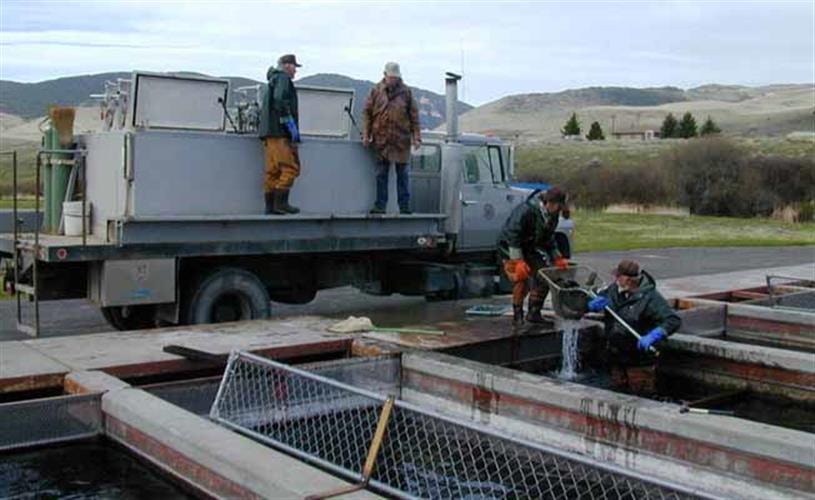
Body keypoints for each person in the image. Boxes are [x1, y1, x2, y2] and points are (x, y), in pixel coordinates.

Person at [587, 260, 681, 392]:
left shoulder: (650, 298)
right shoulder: (612, 290)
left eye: (618, 277)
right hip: (616, 357)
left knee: (640, 394)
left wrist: (655, 334)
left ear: (628, 280)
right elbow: (588, 300)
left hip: (639, 360)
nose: (616, 280)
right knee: (617, 392)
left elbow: (672, 320)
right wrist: (590, 304)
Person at [497, 187, 569, 326]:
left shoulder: (552, 215)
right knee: (521, 278)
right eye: (558, 207)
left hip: (529, 248)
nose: (559, 211)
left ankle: (534, 313)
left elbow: (549, 238)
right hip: (509, 246)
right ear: (550, 203)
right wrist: (518, 261)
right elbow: (513, 234)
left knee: (545, 275)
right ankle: (518, 315)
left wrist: (557, 257)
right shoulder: (526, 210)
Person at [362, 62, 421, 214]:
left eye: (396, 77)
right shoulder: (376, 91)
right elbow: (367, 113)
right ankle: (380, 206)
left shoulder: (406, 92)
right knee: (381, 174)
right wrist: (366, 134)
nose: (393, 80)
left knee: (403, 175)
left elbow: (414, 116)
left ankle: (404, 207)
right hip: (381, 140)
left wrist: (417, 137)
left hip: (401, 141)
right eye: (391, 77)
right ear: (385, 75)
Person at [258, 54, 301, 215]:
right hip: (279, 132)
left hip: (269, 133)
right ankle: (281, 204)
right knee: (290, 168)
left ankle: (270, 206)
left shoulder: (272, 80)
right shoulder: (283, 78)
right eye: (294, 67)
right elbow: (280, 99)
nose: (295, 71)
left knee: (273, 171)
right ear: (287, 66)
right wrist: (290, 125)